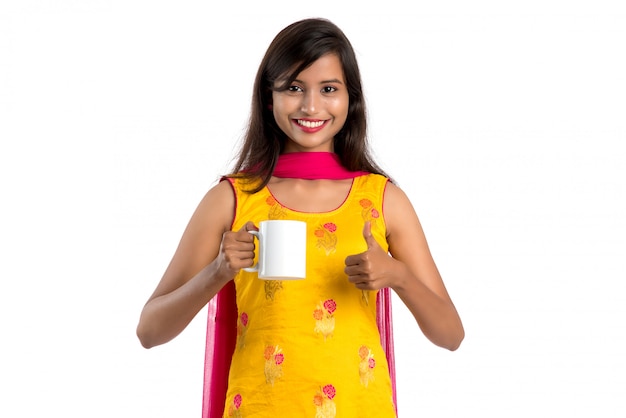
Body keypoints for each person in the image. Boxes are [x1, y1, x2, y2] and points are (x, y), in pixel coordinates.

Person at [136, 17, 464, 417]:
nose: (311, 106)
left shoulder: (383, 199)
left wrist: (397, 275)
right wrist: (219, 271)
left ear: (351, 99)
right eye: (294, 88)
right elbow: (150, 331)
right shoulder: (232, 198)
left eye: (329, 89)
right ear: (268, 97)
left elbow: (451, 335)